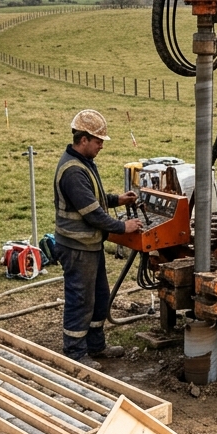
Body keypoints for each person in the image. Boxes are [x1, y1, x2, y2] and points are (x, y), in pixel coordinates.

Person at [53, 109, 141, 366]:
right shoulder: (72, 171)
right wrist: (123, 227)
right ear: (83, 140)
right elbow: (92, 213)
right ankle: (75, 353)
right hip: (77, 246)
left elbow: (95, 199)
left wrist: (118, 199)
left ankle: (95, 346)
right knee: (80, 299)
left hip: (88, 245)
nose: (102, 145)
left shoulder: (83, 163)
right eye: (98, 140)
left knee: (99, 296)